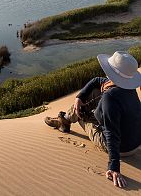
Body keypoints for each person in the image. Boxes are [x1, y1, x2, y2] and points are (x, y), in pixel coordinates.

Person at [44, 51, 141, 188]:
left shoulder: (110, 98)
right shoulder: (129, 90)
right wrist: (80, 96)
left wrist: (114, 166)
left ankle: (65, 120)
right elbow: (97, 80)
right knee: (92, 94)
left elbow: (111, 134)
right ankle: (65, 118)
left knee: (79, 110)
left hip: (121, 148)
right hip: (135, 144)